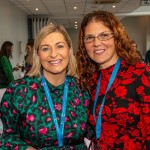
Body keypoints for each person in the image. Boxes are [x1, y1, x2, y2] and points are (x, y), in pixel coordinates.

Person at [0, 23, 91, 150]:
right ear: (38, 54)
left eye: (59, 46)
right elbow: (7, 138)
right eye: (45, 48)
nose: (53, 54)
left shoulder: (82, 89)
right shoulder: (20, 90)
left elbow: (94, 132)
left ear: (69, 50)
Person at [76, 10, 150, 149]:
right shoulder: (90, 79)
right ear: (84, 44)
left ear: (116, 37)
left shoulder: (140, 74)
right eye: (90, 38)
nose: (96, 43)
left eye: (104, 35)